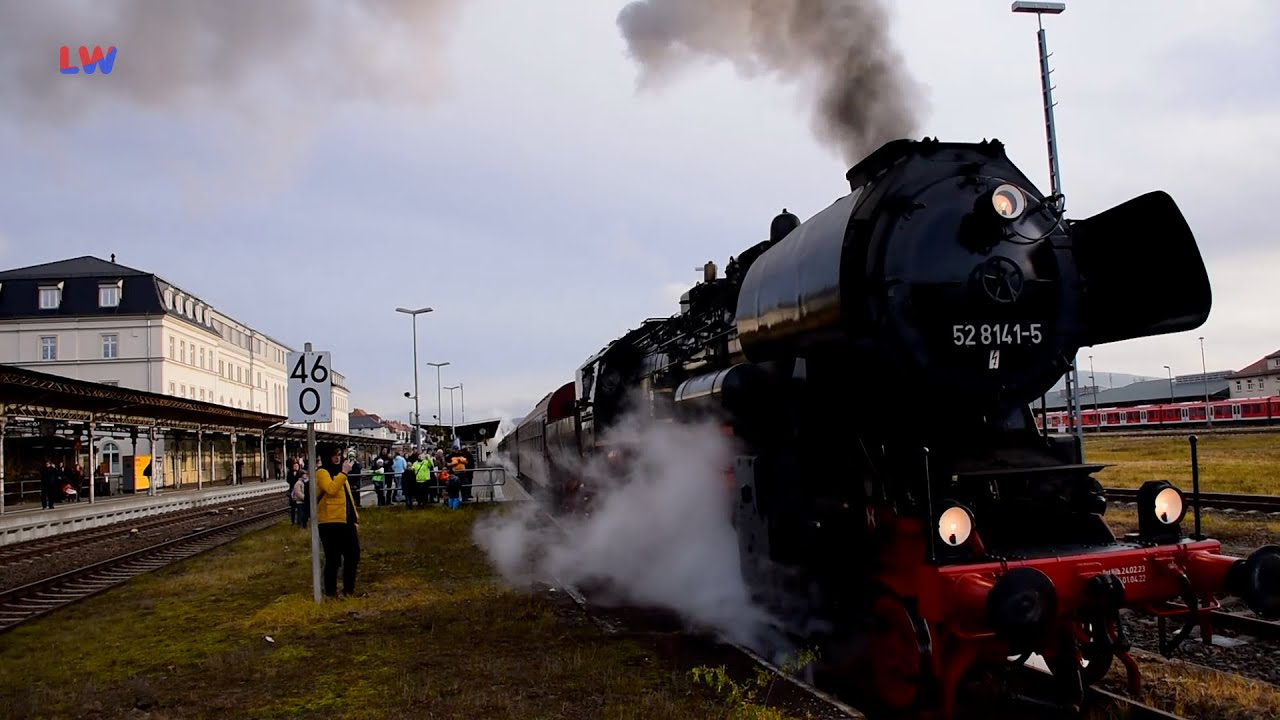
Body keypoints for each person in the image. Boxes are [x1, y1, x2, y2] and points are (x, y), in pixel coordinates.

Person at [314, 444, 360, 597]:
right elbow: (331, 489)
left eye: (339, 455)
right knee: (333, 559)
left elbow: (348, 497)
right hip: (329, 522)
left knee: (353, 555)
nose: (337, 458)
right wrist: (344, 473)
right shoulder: (322, 472)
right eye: (334, 455)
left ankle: (348, 590)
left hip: (345, 521)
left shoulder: (340, 473)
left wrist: (354, 518)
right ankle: (331, 592)